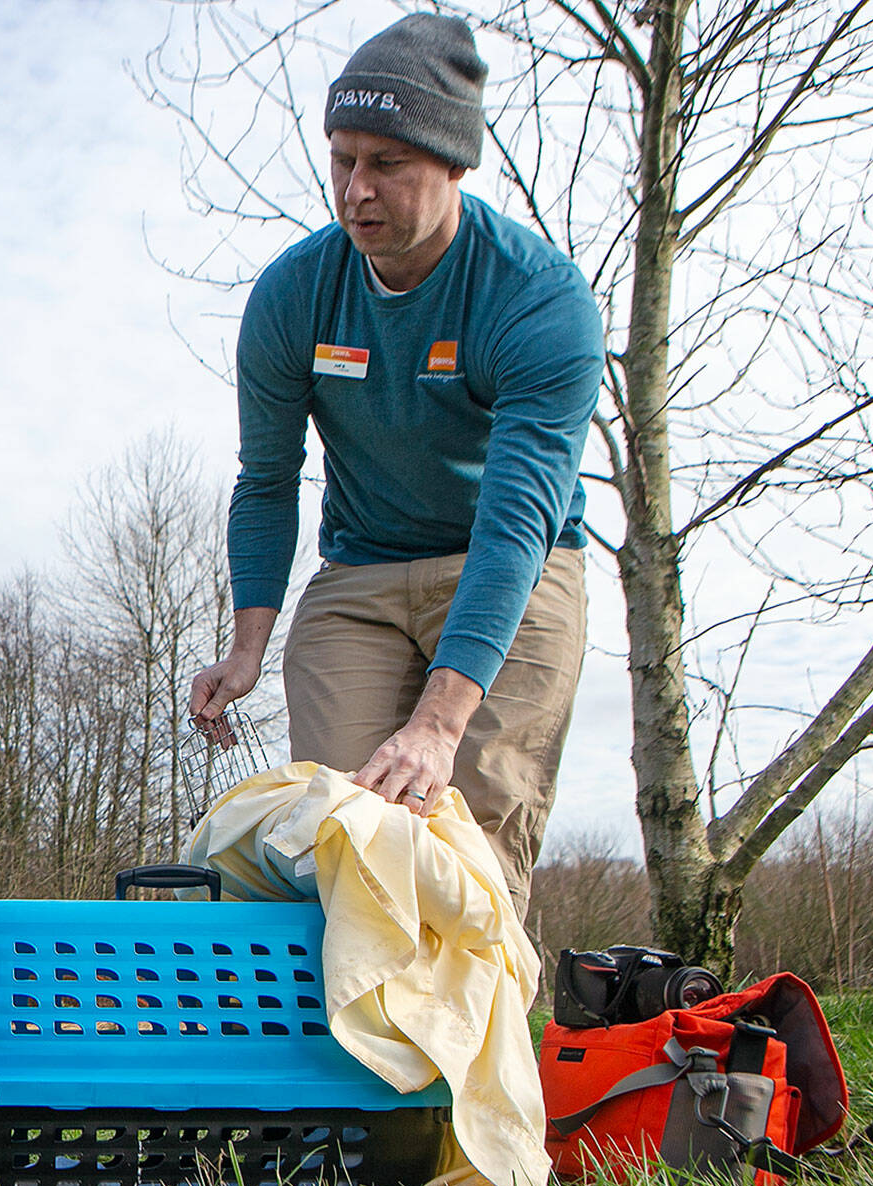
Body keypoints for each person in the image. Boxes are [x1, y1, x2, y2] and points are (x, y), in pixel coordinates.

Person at [186, 13, 604, 916]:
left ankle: (465, 1056)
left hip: (512, 570)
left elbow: (516, 520)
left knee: (468, 848)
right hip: (364, 568)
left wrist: (440, 721)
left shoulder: (538, 302)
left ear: (453, 164)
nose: (355, 189)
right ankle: (346, 1053)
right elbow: (266, 476)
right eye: (342, 159)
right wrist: (247, 645)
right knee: (346, 835)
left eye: (387, 165)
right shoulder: (295, 296)